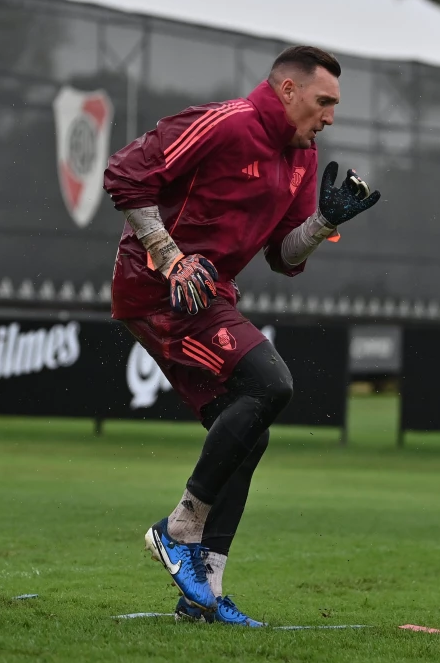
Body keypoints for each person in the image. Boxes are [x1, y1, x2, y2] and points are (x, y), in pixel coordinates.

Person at [103, 45, 381, 626]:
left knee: (250, 434)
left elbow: (283, 254)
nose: (330, 115)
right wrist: (171, 258)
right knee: (271, 384)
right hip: (161, 289)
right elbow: (126, 175)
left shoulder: (304, 155)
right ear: (286, 90)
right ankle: (176, 529)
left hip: (209, 293)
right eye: (323, 101)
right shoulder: (225, 123)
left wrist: (325, 222)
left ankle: (201, 596)